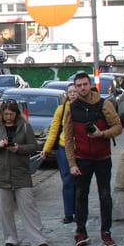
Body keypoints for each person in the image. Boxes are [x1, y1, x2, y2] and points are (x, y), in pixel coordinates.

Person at [63, 72, 123, 246]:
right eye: (79, 85)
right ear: (75, 87)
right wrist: (72, 163)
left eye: (84, 84)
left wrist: (102, 134)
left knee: (105, 196)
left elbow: (118, 127)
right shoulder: (71, 108)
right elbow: (67, 138)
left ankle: (106, 231)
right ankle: (81, 231)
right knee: (81, 196)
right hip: (82, 159)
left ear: (90, 85)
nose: (82, 88)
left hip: (102, 158)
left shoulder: (105, 105)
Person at [0, 98, 49, 246]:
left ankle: (38, 239)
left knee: (28, 206)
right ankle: (10, 238)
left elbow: (34, 146)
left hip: (20, 172)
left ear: (16, 114)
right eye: (6, 114)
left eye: (11, 114)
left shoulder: (25, 127)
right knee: (5, 208)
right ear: (2, 114)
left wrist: (19, 148)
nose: (9, 117)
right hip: (1, 173)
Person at [40, 96, 77, 225]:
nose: (73, 94)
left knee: (80, 182)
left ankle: (79, 211)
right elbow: (54, 130)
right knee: (67, 181)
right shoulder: (61, 110)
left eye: (75, 91)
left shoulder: (84, 108)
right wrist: (46, 148)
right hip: (64, 149)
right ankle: (68, 213)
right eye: (70, 92)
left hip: (80, 150)